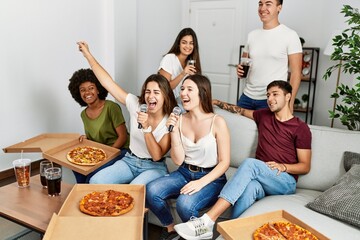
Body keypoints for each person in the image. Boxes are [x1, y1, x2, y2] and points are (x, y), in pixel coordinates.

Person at [175, 80, 312, 240]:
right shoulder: (263, 115)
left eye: (275, 94)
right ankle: (228, 235)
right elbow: (239, 110)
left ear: (288, 96)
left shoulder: (300, 128)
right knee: (248, 189)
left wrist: (283, 166)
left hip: (284, 181)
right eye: (268, 95)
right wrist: (218, 102)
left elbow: (305, 166)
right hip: (260, 179)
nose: (270, 98)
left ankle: (207, 220)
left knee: (250, 164)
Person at [77, 41, 178, 185]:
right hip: (130, 161)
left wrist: (146, 128)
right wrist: (88, 55)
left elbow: (157, 156)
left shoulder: (170, 120)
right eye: (148, 92)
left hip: (154, 167)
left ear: (165, 96)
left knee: (134, 190)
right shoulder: (136, 104)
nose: (151, 96)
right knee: (95, 181)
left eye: (156, 92)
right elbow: (107, 82)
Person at [146, 74, 230, 240]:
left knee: (185, 204)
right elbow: (177, 160)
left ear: (202, 93)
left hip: (211, 178)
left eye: (189, 89)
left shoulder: (217, 122)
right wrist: (174, 131)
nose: (183, 93)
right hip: (184, 172)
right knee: (151, 190)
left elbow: (225, 162)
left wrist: (200, 183)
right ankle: (171, 229)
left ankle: (196, 234)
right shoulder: (180, 119)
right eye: (182, 89)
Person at [237, 0, 302, 111]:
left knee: (266, 129)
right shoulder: (251, 35)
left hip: (272, 99)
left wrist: (289, 102)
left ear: (279, 8)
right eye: (260, 4)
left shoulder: (290, 35)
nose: (262, 8)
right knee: (237, 127)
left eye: (268, 4)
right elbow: (244, 63)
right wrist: (240, 70)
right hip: (247, 97)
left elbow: (296, 73)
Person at [68, 68, 130, 183]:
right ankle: (84, 192)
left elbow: (123, 137)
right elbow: (94, 138)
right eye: (82, 90)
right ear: (78, 93)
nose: (87, 93)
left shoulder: (111, 107)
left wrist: (106, 155)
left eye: (91, 88)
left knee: (91, 176)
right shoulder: (83, 114)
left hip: (120, 150)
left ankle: (88, 192)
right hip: (100, 153)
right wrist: (87, 138)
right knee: (76, 167)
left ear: (98, 89)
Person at [158, 27, 202, 111]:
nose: (188, 46)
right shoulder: (169, 58)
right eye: (184, 42)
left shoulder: (191, 63)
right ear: (179, 44)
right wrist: (183, 73)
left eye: (191, 43)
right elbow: (164, 88)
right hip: (169, 103)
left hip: (183, 102)